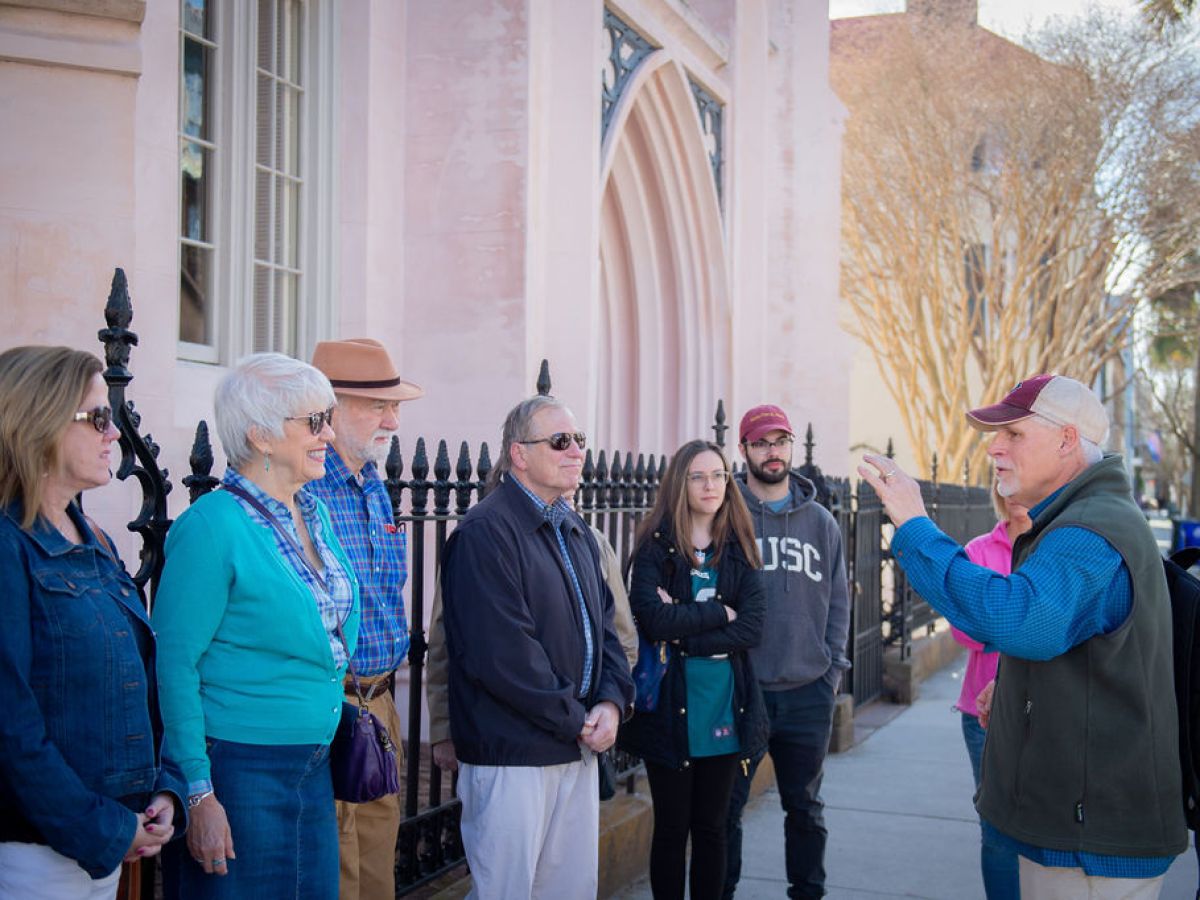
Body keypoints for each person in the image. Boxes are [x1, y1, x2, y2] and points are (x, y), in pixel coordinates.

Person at [859, 373, 1186, 898]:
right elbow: (1073, 640)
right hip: (1078, 831)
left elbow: (1016, 618)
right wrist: (1015, 689)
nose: (995, 447)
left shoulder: (1089, 530)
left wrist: (915, 524)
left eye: (1014, 433)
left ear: (1067, 441)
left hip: (1091, 846)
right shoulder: (1077, 518)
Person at [153, 353, 361, 898]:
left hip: (313, 768)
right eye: (314, 421)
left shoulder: (313, 513)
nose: (329, 433)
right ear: (261, 437)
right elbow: (175, 667)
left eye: (329, 417)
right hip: (240, 772)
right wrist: (199, 794)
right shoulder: (211, 528)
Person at [0, 345, 186, 899]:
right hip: (34, 858)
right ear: (40, 422)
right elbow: (11, 726)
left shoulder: (97, 541)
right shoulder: (10, 548)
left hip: (109, 844)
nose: (115, 435)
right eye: (99, 417)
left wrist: (164, 791)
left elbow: (136, 681)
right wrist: (102, 828)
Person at [441, 395, 634, 899]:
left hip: (576, 745)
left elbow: (607, 632)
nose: (576, 451)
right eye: (560, 441)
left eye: (579, 441)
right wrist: (579, 722)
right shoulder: (485, 532)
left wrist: (611, 704)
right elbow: (502, 656)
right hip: (514, 757)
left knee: (568, 890)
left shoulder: (576, 530)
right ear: (519, 455)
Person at [617, 439, 768, 900]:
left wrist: (682, 625)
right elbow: (651, 619)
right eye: (699, 476)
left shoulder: (739, 546)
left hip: (725, 704)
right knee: (672, 827)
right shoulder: (656, 548)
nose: (711, 485)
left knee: (713, 826)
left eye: (719, 475)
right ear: (680, 484)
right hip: (670, 707)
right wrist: (720, 613)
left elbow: (753, 627)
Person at [308, 338, 422, 900]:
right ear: (328, 407)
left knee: (377, 868)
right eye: (379, 406)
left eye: (394, 406)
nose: (394, 420)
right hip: (332, 707)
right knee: (336, 873)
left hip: (382, 705)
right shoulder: (305, 489)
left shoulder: (374, 485)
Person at [723, 405, 850, 900]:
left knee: (805, 807)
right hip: (742, 689)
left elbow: (840, 598)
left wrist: (833, 670)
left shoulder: (820, 522)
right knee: (725, 809)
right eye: (761, 443)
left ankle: (808, 893)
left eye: (779, 442)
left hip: (807, 691)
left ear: (791, 449)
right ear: (745, 451)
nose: (771, 452)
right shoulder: (727, 516)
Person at [426, 485, 639, 774]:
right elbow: (449, 643)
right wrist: (443, 728)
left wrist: (610, 702)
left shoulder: (587, 539)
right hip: (514, 744)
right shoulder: (483, 537)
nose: (568, 492)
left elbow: (615, 633)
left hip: (581, 737)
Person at [953, 484, 1029, 900]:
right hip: (982, 716)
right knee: (996, 828)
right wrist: (1027, 628)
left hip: (1047, 711)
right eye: (1004, 482)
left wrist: (997, 619)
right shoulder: (979, 550)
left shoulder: (1055, 546)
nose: (1014, 491)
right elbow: (963, 624)